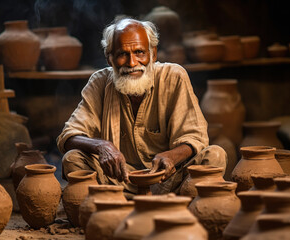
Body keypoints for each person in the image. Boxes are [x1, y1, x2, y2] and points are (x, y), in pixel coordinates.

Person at [57, 17, 226, 197]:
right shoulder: (99, 82)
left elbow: (195, 137)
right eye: (122, 54)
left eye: (139, 52)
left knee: (215, 155)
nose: (132, 63)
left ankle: (160, 206)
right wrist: (102, 146)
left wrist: (171, 156)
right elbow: (68, 136)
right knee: (73, 159)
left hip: (168, 179)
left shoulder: (174, 77)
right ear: (109, 58)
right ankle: (120, 205)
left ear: (153, 53)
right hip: (117, 181)